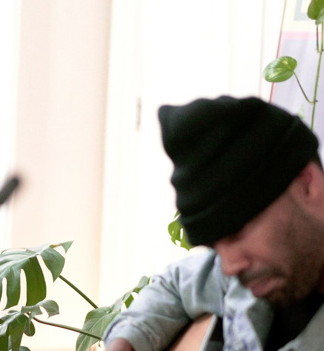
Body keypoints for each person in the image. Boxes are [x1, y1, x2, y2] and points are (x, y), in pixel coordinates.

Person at [104, 95, 324, 351]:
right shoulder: (263, 270)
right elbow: (174, 284)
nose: (229, 267)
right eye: (214, 247)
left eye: (236, 232)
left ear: (307, 185)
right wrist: (125, 343)